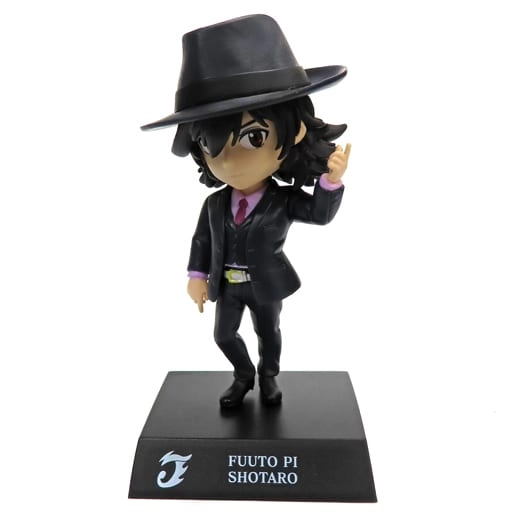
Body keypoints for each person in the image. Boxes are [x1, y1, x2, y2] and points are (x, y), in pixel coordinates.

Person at [141, 14, 351, 408]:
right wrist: (196, 276)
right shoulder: (215, 204)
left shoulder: (281, 200)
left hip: (266, 283)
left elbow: (319, 215)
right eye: (211, 144)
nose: (230, 161)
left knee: (268, 332)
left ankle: (268, 376)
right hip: (228, 284)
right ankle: (243, 375)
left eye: (254, 137)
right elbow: (201, 241)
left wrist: (330, 182)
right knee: (223, 335)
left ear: (296, 133)